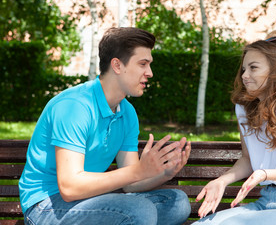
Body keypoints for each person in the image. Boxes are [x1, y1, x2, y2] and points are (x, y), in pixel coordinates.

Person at [19, 27, 191, 225]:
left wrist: (164, 173)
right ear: (117, 65)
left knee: (177, 203)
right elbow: (69, 188)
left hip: (89, 200)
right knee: (140, 211)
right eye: (143, 64)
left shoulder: (127, 113)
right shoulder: (74, 106)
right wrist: (139, 171)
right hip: (46, 206)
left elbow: (131, 184)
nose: (150, 73)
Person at [193, 37, 276, 225]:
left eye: (253, 68)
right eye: (243, 69)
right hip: (267, 202)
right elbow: (249, 160)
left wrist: (266, 174)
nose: (244, 75)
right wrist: (222, 181)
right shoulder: (244, 109)